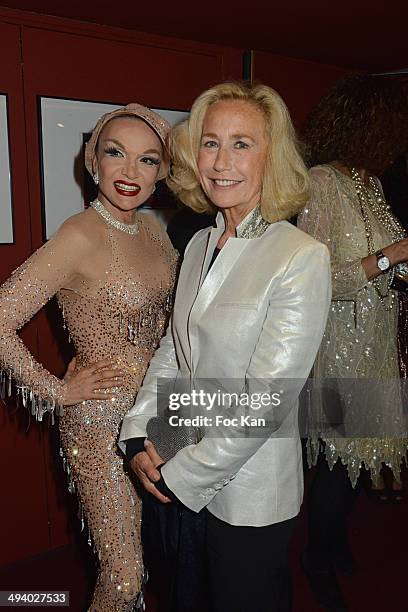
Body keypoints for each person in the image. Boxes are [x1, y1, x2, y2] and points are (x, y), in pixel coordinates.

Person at [119, 81, 331, 612]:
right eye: (210, 142)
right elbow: (174, 349)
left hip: (247, 489)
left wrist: (182, 473)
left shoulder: (298, 256)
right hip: (178, 458)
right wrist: (143, 430)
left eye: (242, 143)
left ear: (272, 156)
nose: (221, 160)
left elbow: (268, 398)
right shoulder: (198, 242)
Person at [0, 104, 178, 611]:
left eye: (147, 160)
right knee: (123, 574)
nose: (129, 172)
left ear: (160, 171)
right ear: (92, 159)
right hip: (100, 421)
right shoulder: (78, 234)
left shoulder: (154, 232)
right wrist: (57, 391)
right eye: (115, 153)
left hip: (157, 413)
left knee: (158, 557)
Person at [297, 75, 408, 611]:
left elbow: (388, 260)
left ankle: (334, 544)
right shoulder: (320, 182)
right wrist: (393, 256)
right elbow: (320, 276)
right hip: (339, 341)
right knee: (338, 464)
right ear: (369, 126)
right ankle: (316, 560)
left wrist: (399, 264)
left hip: (377, 336)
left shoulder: (370, 183)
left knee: (360, 459)